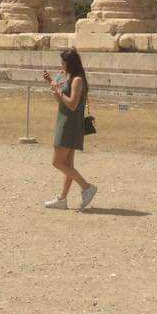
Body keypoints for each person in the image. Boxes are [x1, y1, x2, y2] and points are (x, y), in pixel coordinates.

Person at [42, 47, 97, 211]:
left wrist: (58, 89)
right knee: (68, 164)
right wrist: (54, 85)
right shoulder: (69, 77)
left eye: (63, 62)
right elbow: (60, 100)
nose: (61, 65)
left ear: (70, 63)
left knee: (57, 162)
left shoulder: (77, 80)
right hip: (65, 120)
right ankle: (62, 199)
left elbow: (72, 104)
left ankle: (87, 187)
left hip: (70, 124)